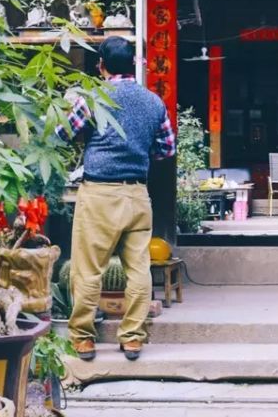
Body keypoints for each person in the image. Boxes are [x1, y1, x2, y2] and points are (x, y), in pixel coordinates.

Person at [56, 36, 175, 361]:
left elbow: (62, 134)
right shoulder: (153, 101)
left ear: (101, 66)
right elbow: (166, 148)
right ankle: (133, 338)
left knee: (88, 270)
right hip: (137, 194)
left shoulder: (94, 98)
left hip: (99, 194)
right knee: (138, 269)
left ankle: (83, 339)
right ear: (134, 64)